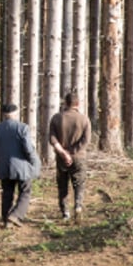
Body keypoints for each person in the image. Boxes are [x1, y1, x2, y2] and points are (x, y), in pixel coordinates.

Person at [0, 101, 41, 226]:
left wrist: (1, 157)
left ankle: (7, 220)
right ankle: (16, 215)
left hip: (3, 166)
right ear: (16, 114)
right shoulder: (22, 128)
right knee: (25, 191)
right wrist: (33, 161)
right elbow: (28, 149)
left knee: (7, 193)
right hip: (21, 166)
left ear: (4, 115)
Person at [48, 91, 92, 220]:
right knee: (79, 183)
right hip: (79, 157)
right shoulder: (84, 119)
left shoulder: (56, 118)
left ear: (65, 103)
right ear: (77, 104)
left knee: (62, 184)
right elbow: (86, 140)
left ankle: (65, 212)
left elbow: (52, 139)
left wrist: (63, 153)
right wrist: (73, 152)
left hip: (61, 158)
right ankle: (78, 206)